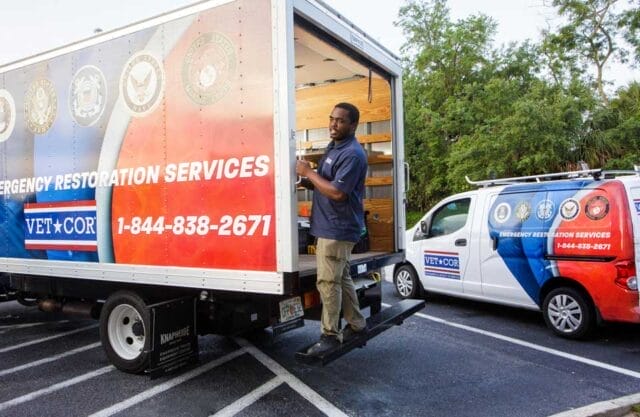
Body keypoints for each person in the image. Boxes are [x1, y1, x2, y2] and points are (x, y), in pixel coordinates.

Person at [296, 102, 368, 356]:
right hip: (329, 226)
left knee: (327, 282)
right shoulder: (334, 147)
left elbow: (337, 192)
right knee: (341, 278)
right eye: (331, 119)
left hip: (337, 229)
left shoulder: (352, 154)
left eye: (340, 120)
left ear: (353, 125)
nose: (333, 124)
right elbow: (325, 184)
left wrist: (309, 172)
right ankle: (357, 325)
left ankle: (329, 336)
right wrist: (305, 178)